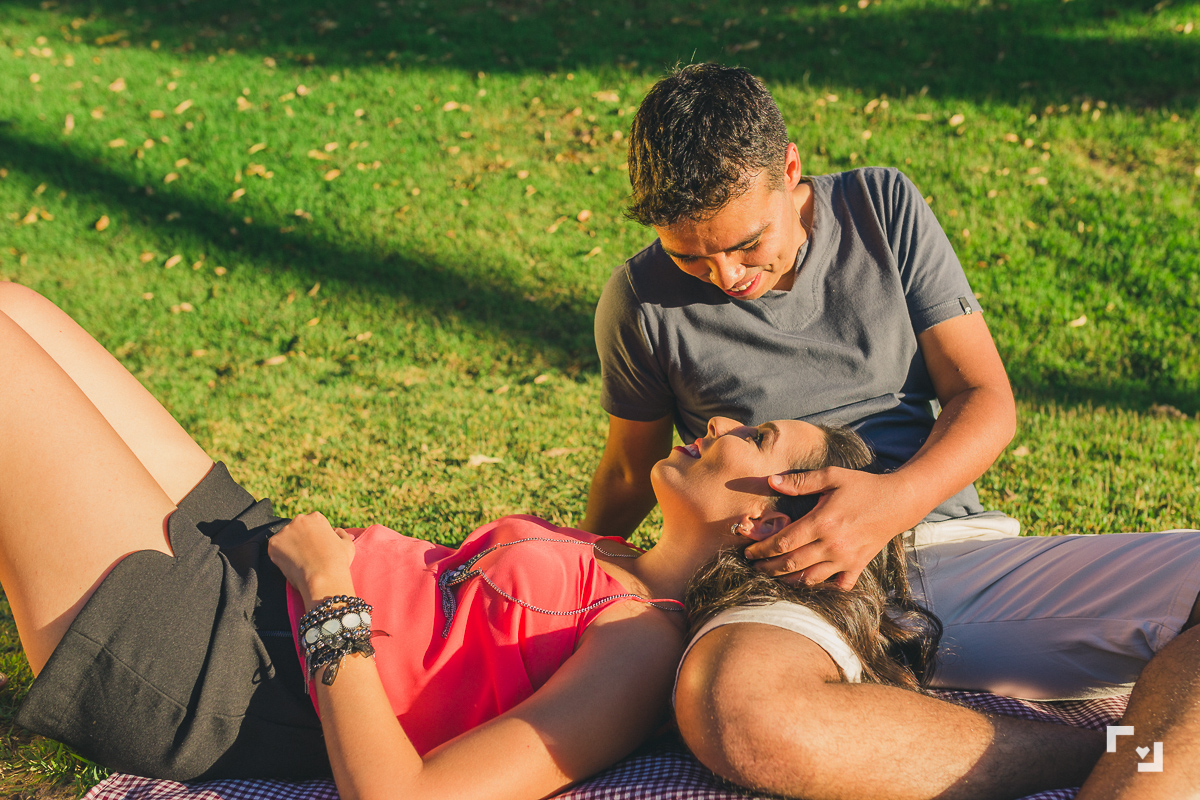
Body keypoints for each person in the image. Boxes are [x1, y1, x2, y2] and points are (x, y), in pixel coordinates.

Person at [0, 281, 876, 800]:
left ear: (766, 521)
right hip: (253, 558)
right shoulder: (614, 555)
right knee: (16, 307)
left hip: (218, 663)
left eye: (757, 438)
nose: (720, 421)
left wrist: (331, 593)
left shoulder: (642, 646)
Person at [586, 63, 1200, 799]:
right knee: (734, 710)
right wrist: (580, 573)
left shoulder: (881, 206)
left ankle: (1135, 773)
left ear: (790, 170)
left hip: (947, 552)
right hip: (791, 582)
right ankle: (1109, 750)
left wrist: (889, 505)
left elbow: (984, 397)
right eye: (689, 256)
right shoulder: (638, 302)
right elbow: (629, 472)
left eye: (747, 243)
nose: (725, 276)